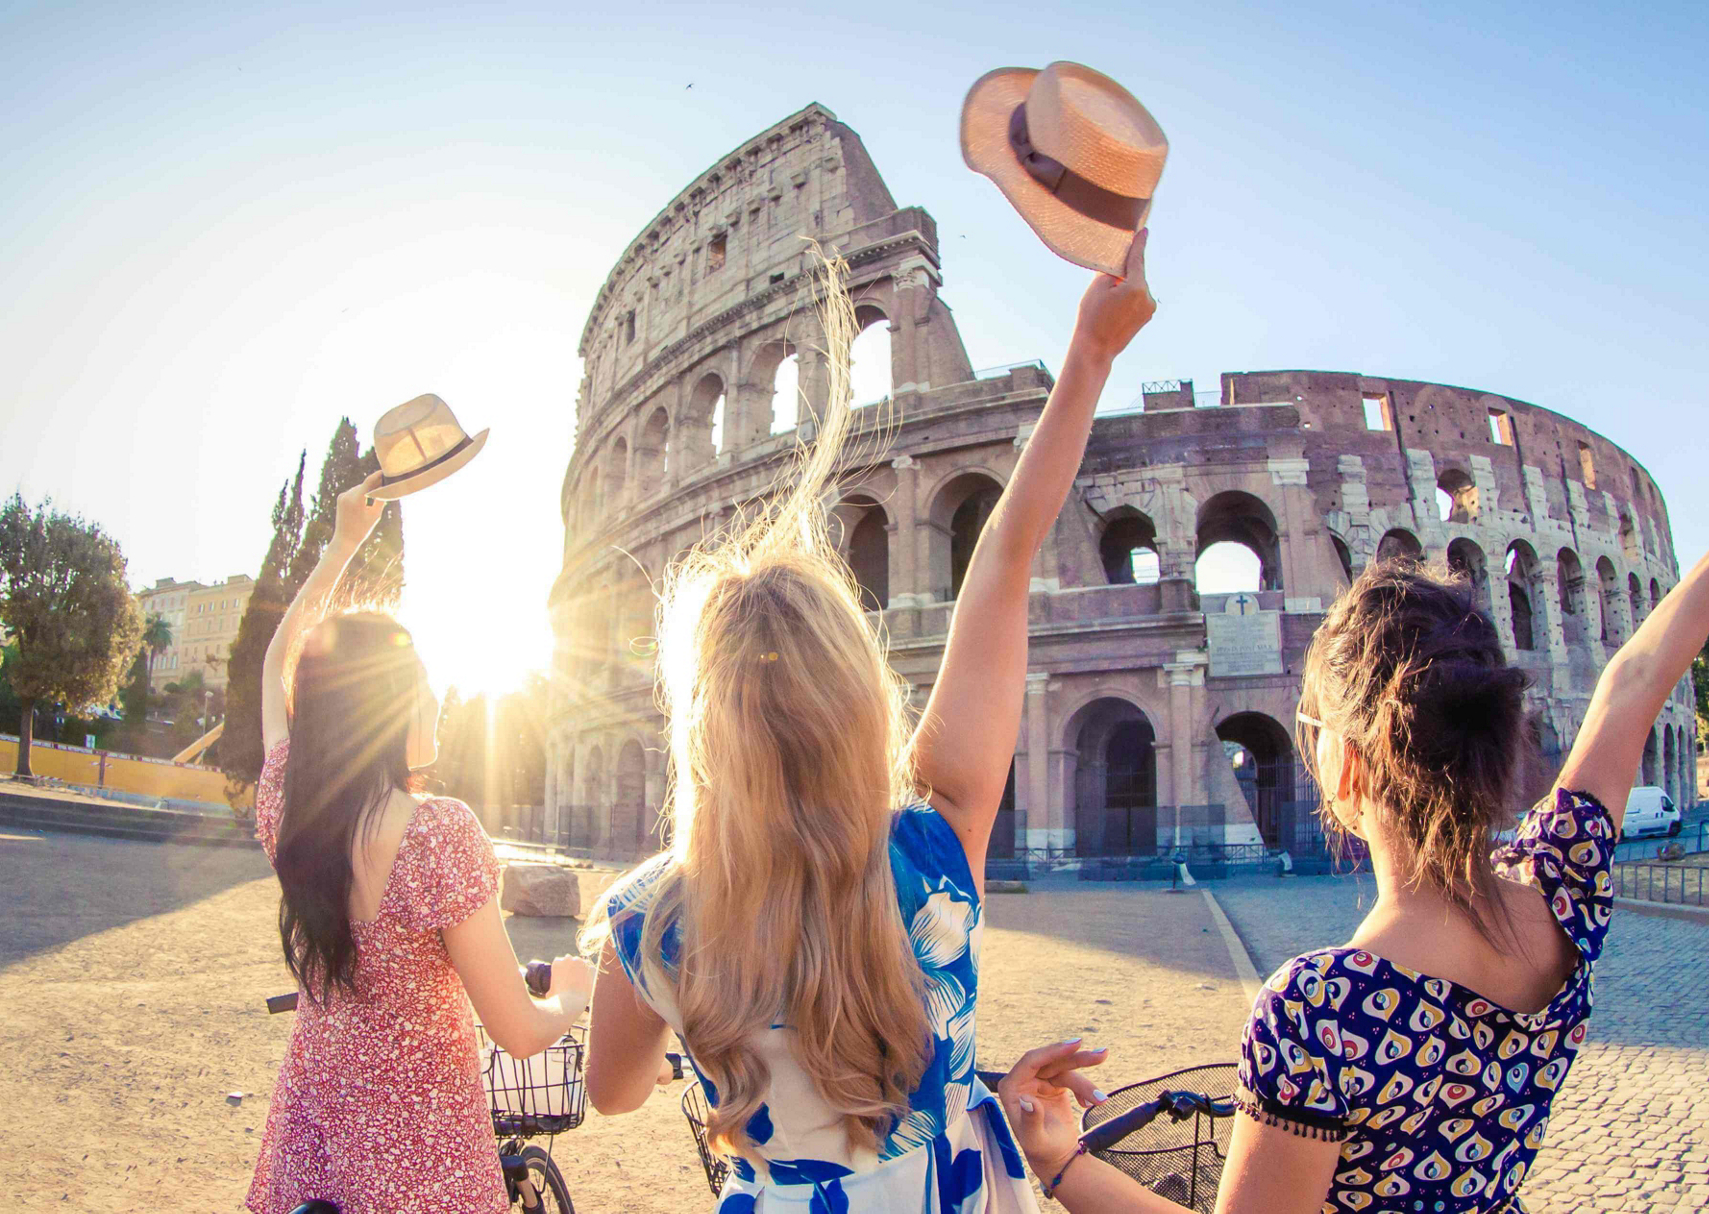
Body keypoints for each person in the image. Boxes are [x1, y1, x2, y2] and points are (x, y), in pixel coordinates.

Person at [998, 512, 1709, 1213]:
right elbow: (1632, 682)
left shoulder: (1319, 1009)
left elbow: (1631, 680)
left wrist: (1060, 1163)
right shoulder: (1565, 885)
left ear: (1348, 764)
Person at [579, 232, 1157, 1212]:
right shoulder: (934, 848)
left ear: (702, 730)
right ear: (861, 700)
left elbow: (612, 1090)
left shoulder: (649, 918)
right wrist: (1090, 356)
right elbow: (1005, 565)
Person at [246, 471, 592, 1214]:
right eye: (423, 681)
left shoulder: (287, 805)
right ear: (395, 708)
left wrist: (340, 547)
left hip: (311, 1155)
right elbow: (518, 1031)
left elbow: (278, 666)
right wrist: (569, 996)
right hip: (424, 1173)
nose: (437, 695)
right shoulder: (438, 833)